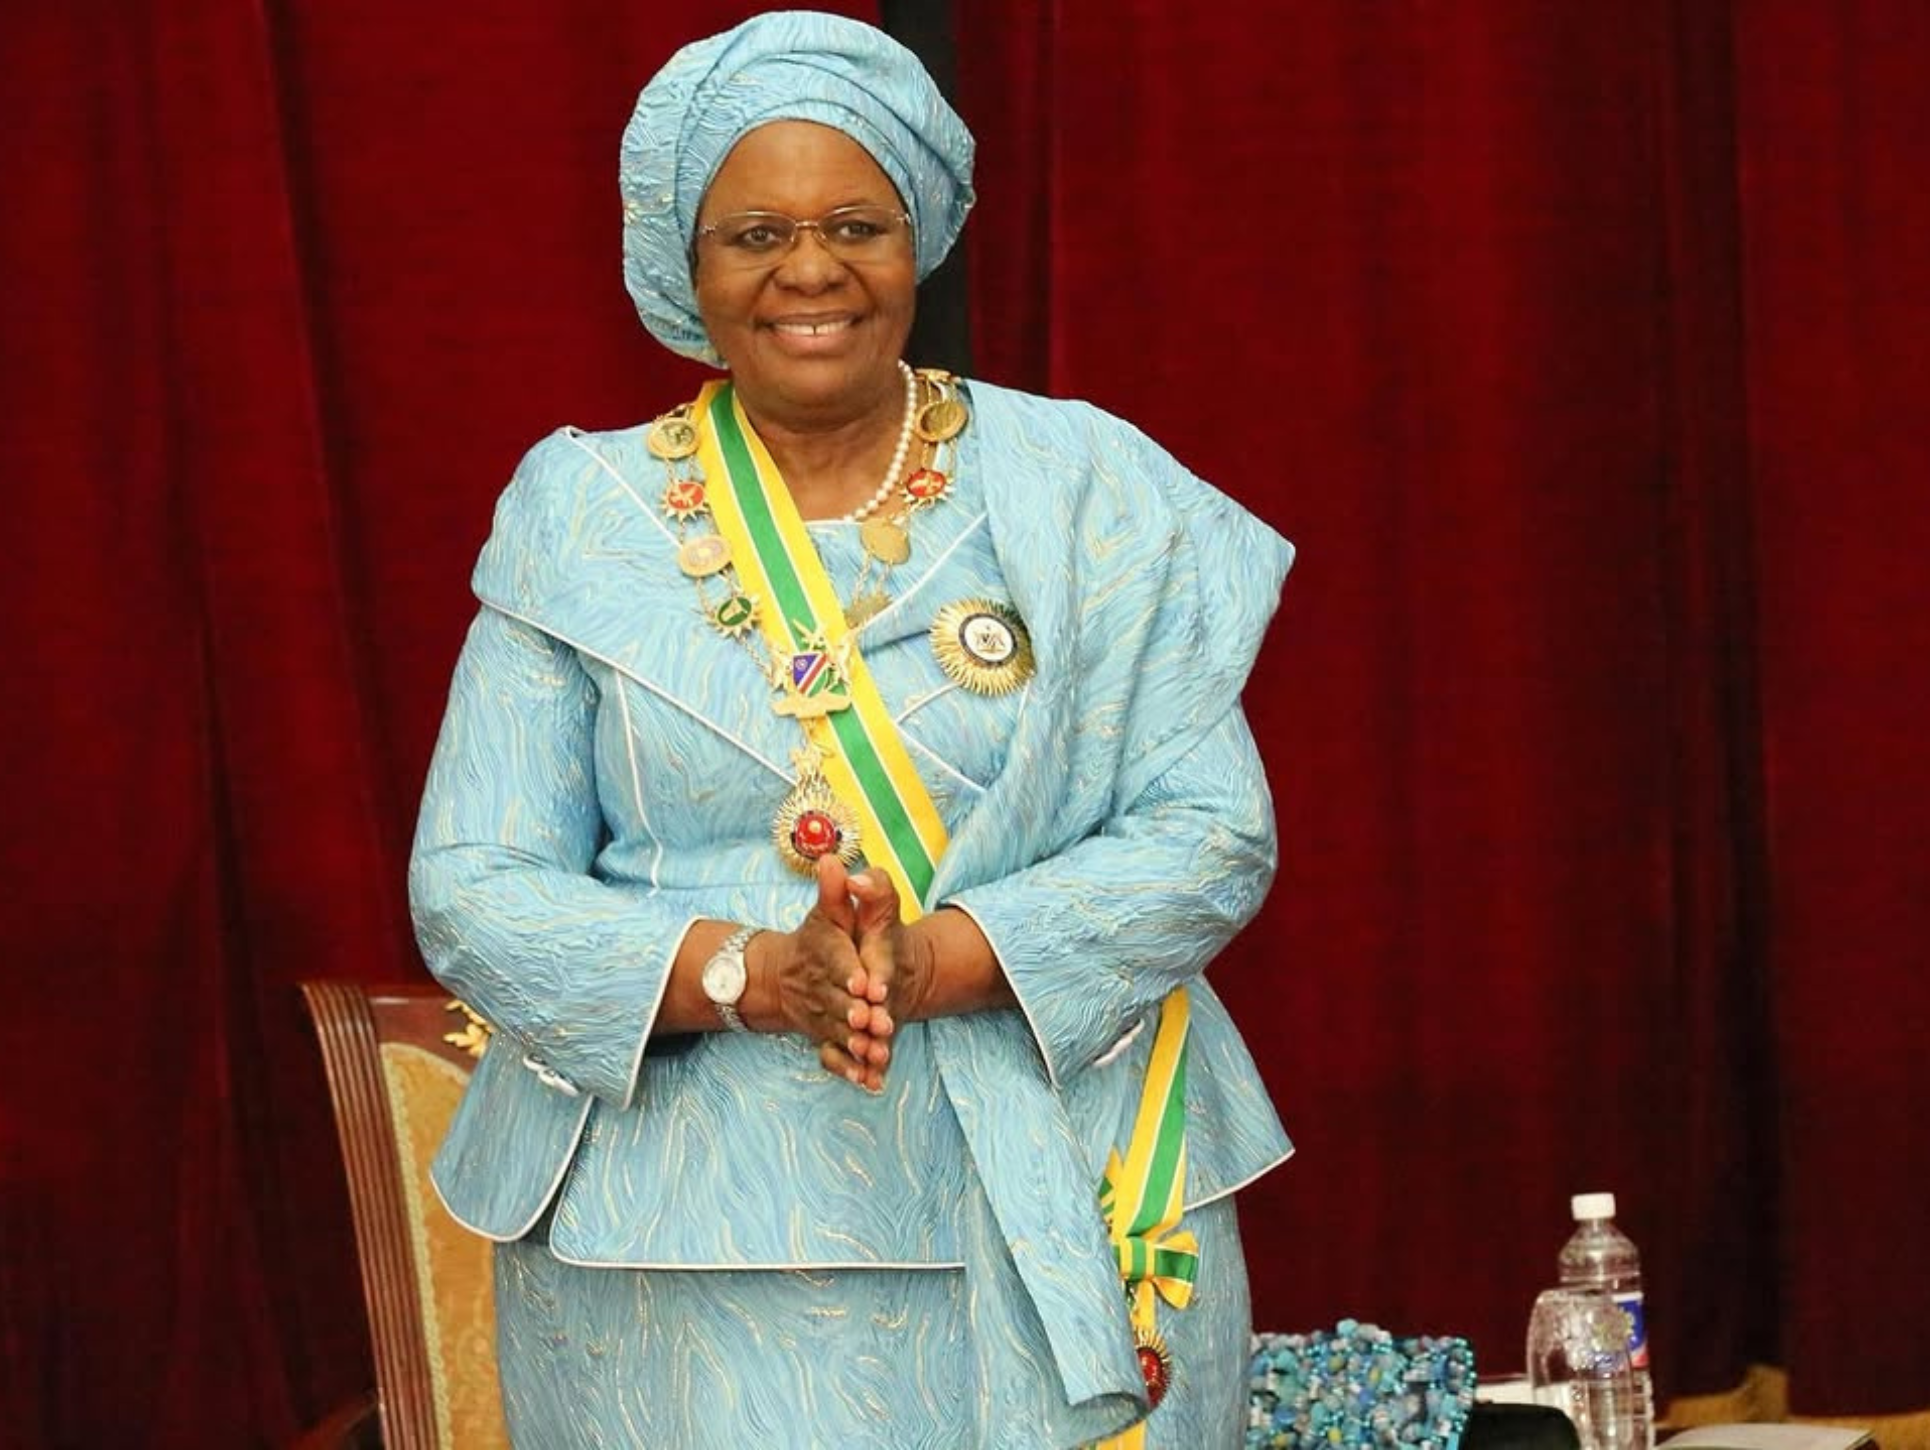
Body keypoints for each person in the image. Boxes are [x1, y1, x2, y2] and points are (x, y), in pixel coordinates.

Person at [409, 11, 1295, 1447]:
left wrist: (937, 959)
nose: (808, 270)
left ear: (921, 237)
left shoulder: (1085, 483)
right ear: (684, 264)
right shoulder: (581, 514)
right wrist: (758, 976)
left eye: (856, 224)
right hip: (676, 1247)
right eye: (754, 233)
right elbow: (472, 885)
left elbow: (1208, 832)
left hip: (1066, 1185)